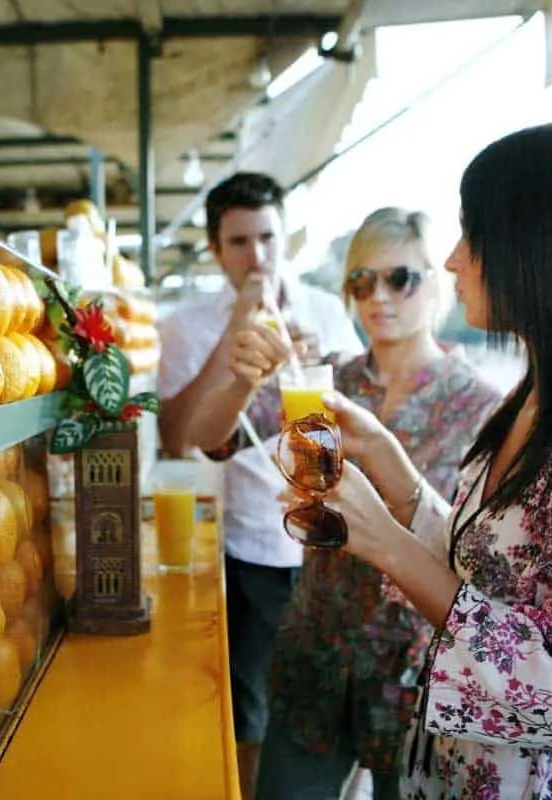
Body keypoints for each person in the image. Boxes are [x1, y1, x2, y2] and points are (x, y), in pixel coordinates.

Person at [283, 119, 552, 797]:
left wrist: (383, 544)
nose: (454, 260)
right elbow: (492, 573)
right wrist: (393, 466)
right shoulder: (544, 396)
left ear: (550, 245)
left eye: (473, 233)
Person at [245, 208, 501, 799]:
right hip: (316, 652)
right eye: (361, 281)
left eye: (399, 278)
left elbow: (485, 553)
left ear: (434, 282)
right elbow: (212, 438)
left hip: (416, 672)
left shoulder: (482, 407)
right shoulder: (324, 384)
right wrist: (246, 369)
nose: (378, 296)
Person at [157, 172, 363, 798]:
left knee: (338, 705)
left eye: (268, 238)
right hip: (252, 544)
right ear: (217, 250)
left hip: (337, 544)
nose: (258, 257)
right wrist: (237, 335)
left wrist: (311, 371)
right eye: (241, 242)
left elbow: (368, 415)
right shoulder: (188, 324)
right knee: (251, 709)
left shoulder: (327, 312)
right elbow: (175, 437)